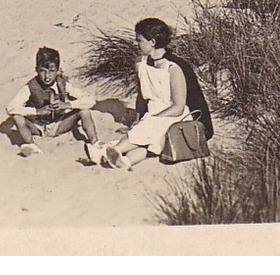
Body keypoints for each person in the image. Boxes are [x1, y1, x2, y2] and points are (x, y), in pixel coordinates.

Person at [82, 18, 211, 170]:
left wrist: (153, 119)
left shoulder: (174, 68)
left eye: (140, 41)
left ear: (152, 42)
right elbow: (142, 96)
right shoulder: (140, 64)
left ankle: (112, 150)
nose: (137, 45)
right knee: (149, 142)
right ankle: (127, 162)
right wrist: (138, 119)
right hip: (153, 115)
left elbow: (179, 106)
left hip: (176, 116)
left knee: (150, 131)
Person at [5, 47, 93, 157]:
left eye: (51, 71)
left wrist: (67, 105)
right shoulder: (31, 86)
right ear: (37, 69)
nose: (47, 76)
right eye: (43, 71)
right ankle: (31, 145)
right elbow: (11, 108)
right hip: (38, 126)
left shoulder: (62, 84)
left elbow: (90, 100)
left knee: (84, 111)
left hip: (59, 124)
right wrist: (37, 111)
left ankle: (95, 143)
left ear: (58, 70)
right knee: (17, 117)